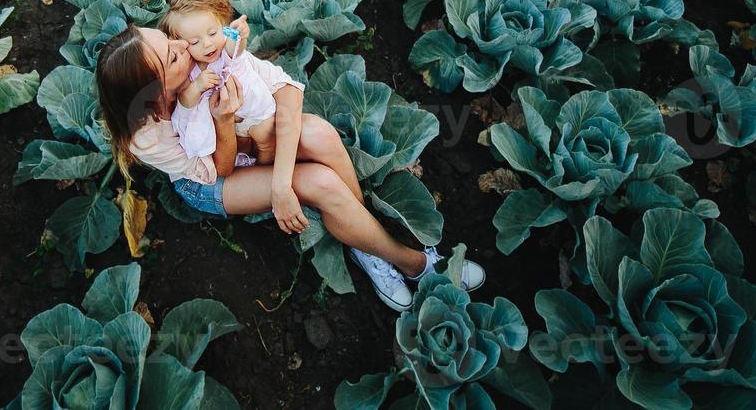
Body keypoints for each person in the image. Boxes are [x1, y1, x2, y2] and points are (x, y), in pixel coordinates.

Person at [94, 21, 484, 312]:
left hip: (249, 141)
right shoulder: (148, 138)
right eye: (173, 54)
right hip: (211, 180)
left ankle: (365, 243)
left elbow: (285, 88)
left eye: (170, 39)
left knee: (321, 135)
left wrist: (280, 182)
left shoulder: (196, 50)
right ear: (158, 90)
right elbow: (223, 169)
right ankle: (416, 265)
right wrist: (225, 122)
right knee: (320, 183)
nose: (181, 44)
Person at [159, 0, 277, 167]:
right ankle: (247, 175)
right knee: (241, 150)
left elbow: (235, 50)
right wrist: (197, 86)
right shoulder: (190, 71)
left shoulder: (224, 53)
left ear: (222, 25)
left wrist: (240, 36)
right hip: (224, 127)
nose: (207, 44)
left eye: (213, 33)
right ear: (181, 44)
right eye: (195, 42)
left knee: (267, 141)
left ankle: (266, 170)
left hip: (253, 113)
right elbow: (185, 101)